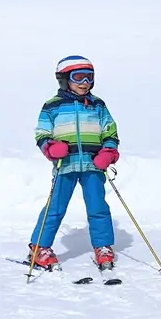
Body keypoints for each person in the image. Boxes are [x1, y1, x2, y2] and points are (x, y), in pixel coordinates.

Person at [29, 56, 121, 279]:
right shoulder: (52, 106)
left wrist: (108, 152)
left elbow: (110, 130)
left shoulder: (98, 105)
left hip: (93, 164)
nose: (85, 82)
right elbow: (42, 133)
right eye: (78, 77)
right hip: (65, 164)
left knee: (98, 206)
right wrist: (50, 147)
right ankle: (39, 247)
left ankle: (103, 246)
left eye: (89, 77)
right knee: (56, 207)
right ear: (64, 79)